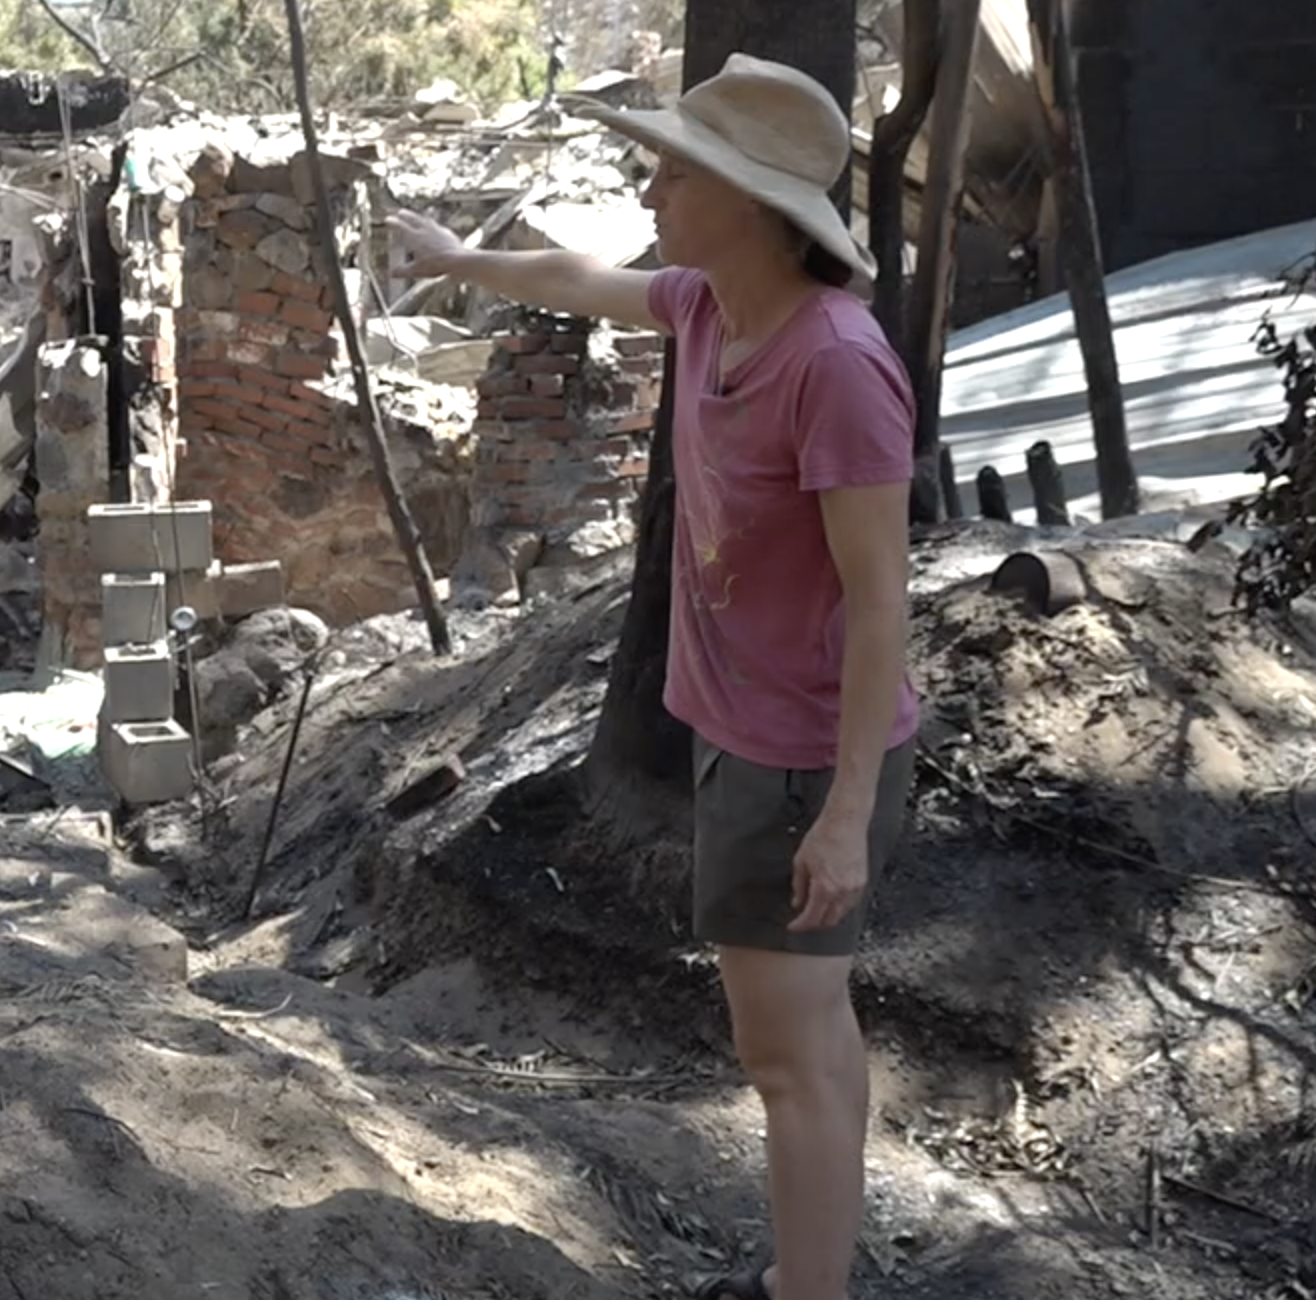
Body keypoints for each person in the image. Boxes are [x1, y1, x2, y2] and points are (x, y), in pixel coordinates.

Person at [389, 54, 920, 1300]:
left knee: (782, 1054)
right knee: (809, 1042)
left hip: (802, 756)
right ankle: (813, 1276)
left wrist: (844, 813)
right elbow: (575, 277)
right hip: (747, 730)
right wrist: (453, 258)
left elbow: (881, 596)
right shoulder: (703, 306)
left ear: (744, 199)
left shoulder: (834, 364)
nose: (650, 186)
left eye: (673, 171)